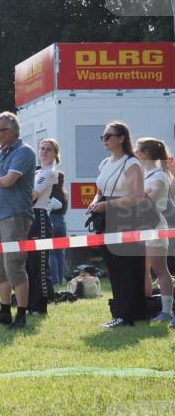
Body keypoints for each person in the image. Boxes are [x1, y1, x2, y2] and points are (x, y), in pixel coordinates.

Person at [87, 121, 148, 327]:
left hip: (126, 219)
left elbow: (137, 196)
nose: (104, 140)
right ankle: (119, 312)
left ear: (121, 138)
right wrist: (95, 203)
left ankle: (128, 314)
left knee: (127, 268)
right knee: (113, 267)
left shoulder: (131, 163)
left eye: (108, 136)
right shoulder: (105, 163)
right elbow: (100, 191)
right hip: (105, 219)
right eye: (102, 137)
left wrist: (108, 206)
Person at [0, 112, 36, 329]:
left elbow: (8, 181)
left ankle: (21, 314)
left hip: (16, 215)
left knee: (14, 264)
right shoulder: (1, 152)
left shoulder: (24, 152)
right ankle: (4, 311)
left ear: (13, 131)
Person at [135, 137, 173, 322]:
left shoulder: (159, 175)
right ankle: (144, 307)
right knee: (143, 269)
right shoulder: (143, 174)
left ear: (146, 154)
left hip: (154, 226)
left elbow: (149, 198)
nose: (134, 152)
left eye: (137, 150)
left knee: (159, 269)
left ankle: (167, 311)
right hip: (140, 227)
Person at [28, 139, 60, 315]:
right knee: (30, 265)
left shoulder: (50, 172)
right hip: (30, 217)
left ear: (55, 153)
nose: (44, 151)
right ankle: (31, 304)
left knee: (40, 265)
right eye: (42, 148)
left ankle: (40, 306)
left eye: (49, 149)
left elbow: (32, 195)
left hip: (39, 217)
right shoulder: (38, 172)